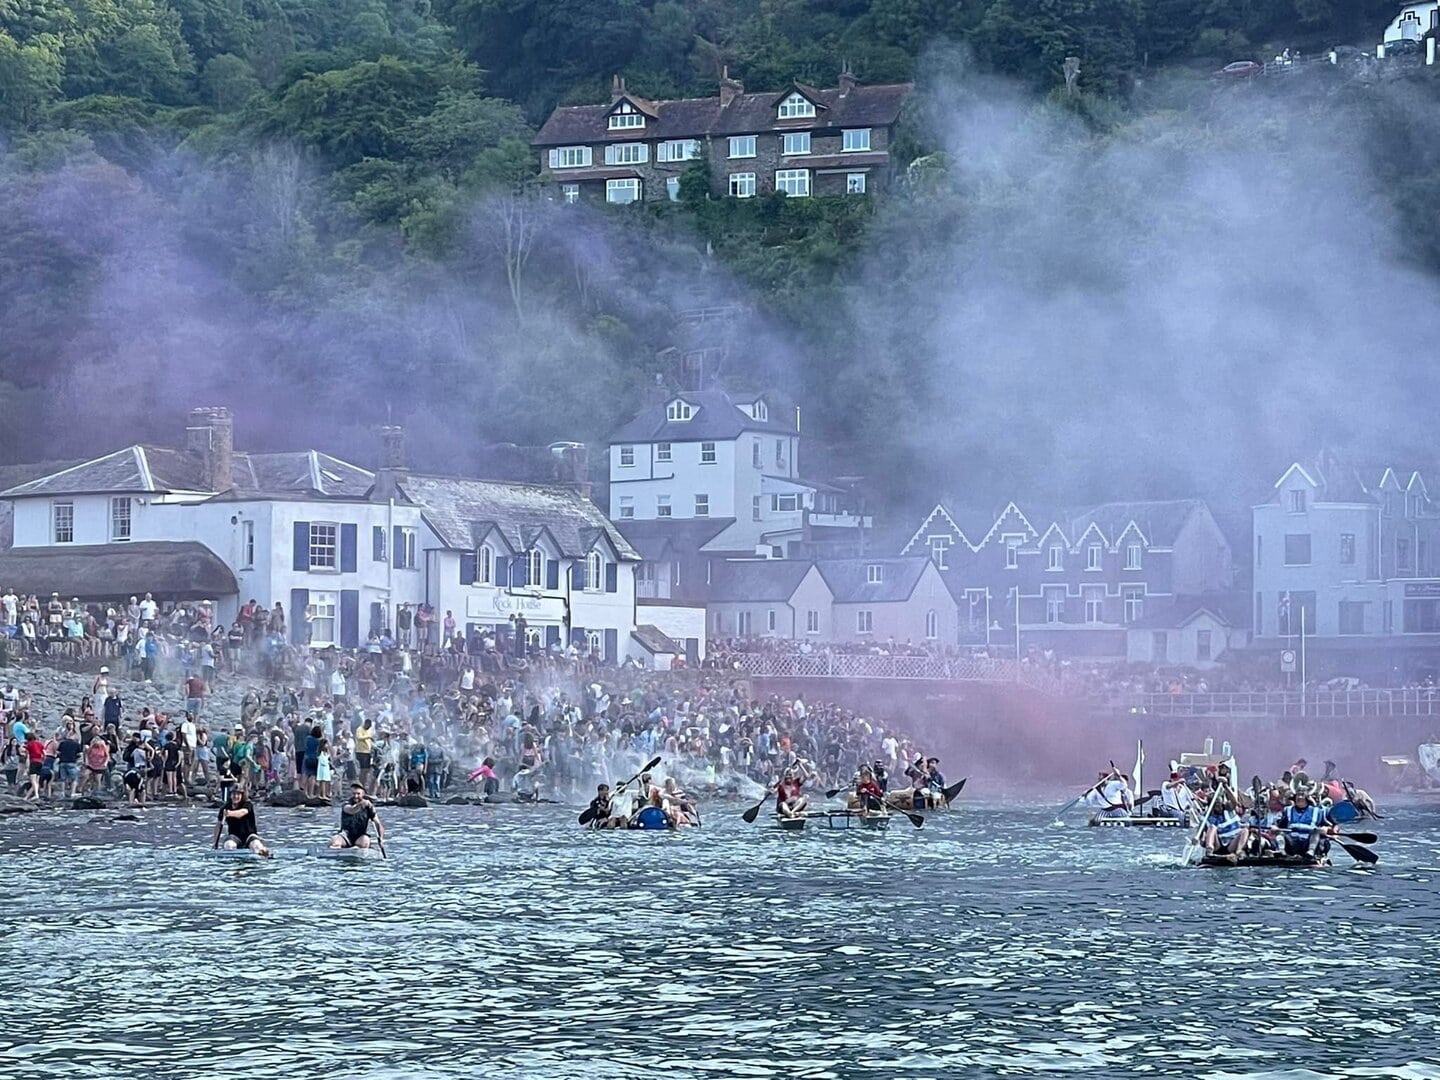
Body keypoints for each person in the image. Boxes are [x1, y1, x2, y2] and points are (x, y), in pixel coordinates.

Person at [1272, 789, 1334, 859]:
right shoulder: (1287, 810)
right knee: (1280, 833)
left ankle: (1311, 851)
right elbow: (1278, 825)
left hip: (1308, 843)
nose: (1299, 797)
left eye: (1302, 795)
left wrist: (1326, 829)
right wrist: (1274, 827)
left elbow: (1329, 826)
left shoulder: (1318, 811)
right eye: (1298, 795)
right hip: (1291, 842)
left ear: (1307, 798)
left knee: (1316, 832)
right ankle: (1281, 851)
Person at [212, 786, 271, 857]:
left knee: (256, 845)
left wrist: (229, 813)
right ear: (230, 795)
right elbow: (218, 826)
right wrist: (215, 843)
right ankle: (232, 862)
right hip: (234, 836)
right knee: (229, 845)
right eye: (234, 794)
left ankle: (264, 854)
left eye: (238, 794)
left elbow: (242, 813)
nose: (236, 797)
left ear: (242, 795)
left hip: (249, 835)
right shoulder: (225, 808)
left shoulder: (247, 804)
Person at [329, 783, 383, 849]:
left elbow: (377, 823)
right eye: (354, 794)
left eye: (358, 794)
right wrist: (361, 804)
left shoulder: (369, 807)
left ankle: (357, 849)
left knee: (365, 840)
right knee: (335, 841)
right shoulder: (346, 804)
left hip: (361, 836)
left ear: (363, 794)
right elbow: (351, 810)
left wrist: (381, 838)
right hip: (345, 834)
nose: (356, 796)